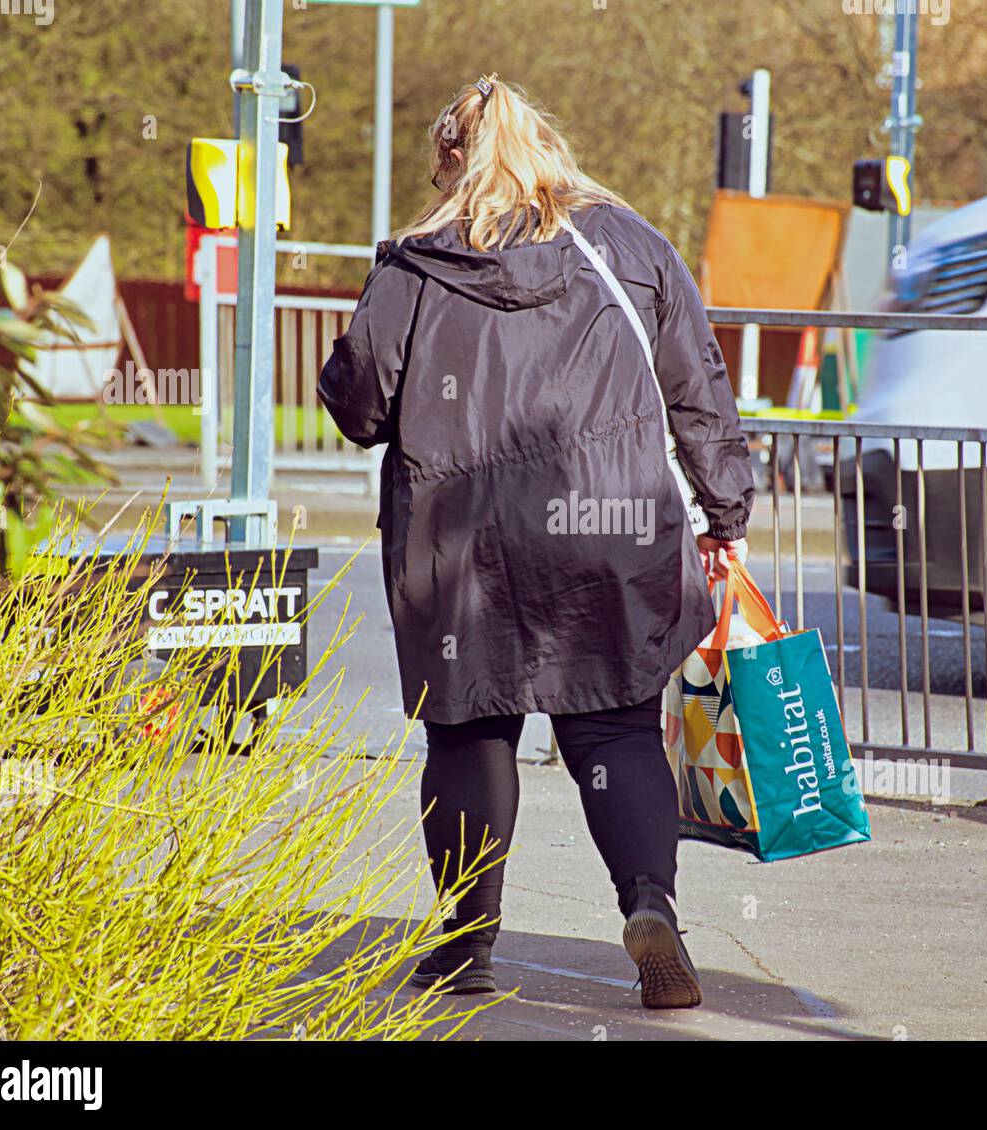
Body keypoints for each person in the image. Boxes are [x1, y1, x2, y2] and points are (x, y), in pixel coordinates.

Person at [318, 74, 753, 1010]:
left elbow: (359, 410)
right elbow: (699, 389)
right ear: (548, 148)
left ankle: (468, 946)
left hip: (460, 542)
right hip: (611, 525)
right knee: (615, 724)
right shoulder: (630, 246)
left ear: (449, 161)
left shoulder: (415, 265)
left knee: (470, 731)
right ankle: (651, 908)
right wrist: (727, 513)